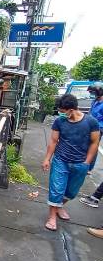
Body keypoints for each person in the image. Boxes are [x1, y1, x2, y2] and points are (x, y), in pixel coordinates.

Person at [42, 94, 100, 231]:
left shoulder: (91, 122)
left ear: (71, 109)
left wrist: (87, 162)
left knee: (71, 191)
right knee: (56, 189)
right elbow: (53, 141)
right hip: (60, 160)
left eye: (63, 111)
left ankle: (59, 206)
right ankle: (52, 216)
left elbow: (94, 143)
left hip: (80, 163)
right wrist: (47, 159)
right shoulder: (59, 122)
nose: (60, 114)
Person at [86, 82, 103, 173]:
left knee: (93, 146)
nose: (92, 94)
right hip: (90, 125)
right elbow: (90, 112)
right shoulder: (95, 101)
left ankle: (89, 167)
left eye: (93, 92)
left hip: (99, 128)